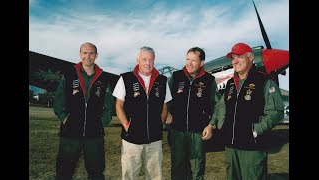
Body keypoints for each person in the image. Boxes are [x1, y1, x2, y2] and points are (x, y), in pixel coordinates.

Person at [211, 42, 285, 180]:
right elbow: (221, 106)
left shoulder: (264, 81)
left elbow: (276, 111)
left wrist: (256, 130)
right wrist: (221, 125)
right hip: (231, 149)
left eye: (239, 56)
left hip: (252, 149)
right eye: (233, 58)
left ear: (251, 57)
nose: (235, 61)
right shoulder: (230, 84)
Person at [53, 42, 114, 180]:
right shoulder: (69, 75)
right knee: (63, 172)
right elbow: (58, 102)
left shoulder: (103, 78)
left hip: (94, 135)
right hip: (70, 133)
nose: (88, 56)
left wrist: (101, 122)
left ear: (96, 55)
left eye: (91, 53)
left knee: (96, 173)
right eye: (85, 53)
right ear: (80, 54)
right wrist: (65, 119)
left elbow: (109, 106)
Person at [112, 46, 172, 180]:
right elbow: (118, 105)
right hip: (132, 139)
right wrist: (127, 125)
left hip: (154, 140)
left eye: (150, 60)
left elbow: (164, 105)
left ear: (154, 61)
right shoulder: (125, 78)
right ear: (137, 59)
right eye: (144, 59)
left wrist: (159, 124)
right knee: (130, 175)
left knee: (155, 176)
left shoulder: (162, 81)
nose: (147, 63)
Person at [166, 47, 220, 180]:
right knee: (178, 168)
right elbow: (163, 98)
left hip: (198, 133)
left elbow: (217, 106)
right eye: (187, 59)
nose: (189, 63)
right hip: (177, 131)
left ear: (201, 63)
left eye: (193, 60)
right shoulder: (176, 77)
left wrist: (211, 125)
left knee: (197, 169)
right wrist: (166, 112)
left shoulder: (209, 80)